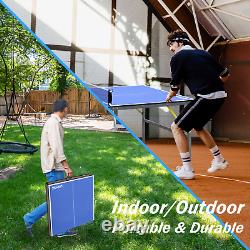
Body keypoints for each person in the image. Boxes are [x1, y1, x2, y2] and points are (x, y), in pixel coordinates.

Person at [166, 30, 230, 180]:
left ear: (180, 42)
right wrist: (214, 84)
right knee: (198, 127)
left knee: (176, 127)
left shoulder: (178, 57)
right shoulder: (204, 53)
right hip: (220, 95)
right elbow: (226, 75)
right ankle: (219, 159)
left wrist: (169, 95)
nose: (170, 48)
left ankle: (187, 169)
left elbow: (175, 86)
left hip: (206, 96)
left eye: (171, 44)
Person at [23, 99, 76, 237]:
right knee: (55, 200)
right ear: (64, 109)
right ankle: (30, 218)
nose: (68, 111)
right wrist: (66, 167)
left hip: (54, 167)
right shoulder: (53, 123)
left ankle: (60, 228)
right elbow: (56, 147)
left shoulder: (54, 122)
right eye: (67, 108)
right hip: (54, 168)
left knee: (57, 199)